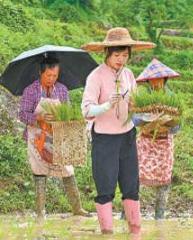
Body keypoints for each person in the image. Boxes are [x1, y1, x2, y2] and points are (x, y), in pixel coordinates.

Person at [81, 27, 155, 236]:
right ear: (107, 54)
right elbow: (86, 109)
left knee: (131, 186)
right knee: (105, 188)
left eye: (125, 55)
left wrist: (137, 107)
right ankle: (107, 232)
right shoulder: (95, 77)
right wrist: (105, 106)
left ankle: (135, 230)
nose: (121, 60)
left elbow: (135, 104)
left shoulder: (129, 74)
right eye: (116, 55)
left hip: (127, 137)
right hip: (104, 138)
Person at [19, 56, 88, 223]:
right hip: (37, 137)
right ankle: (41, 211)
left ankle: (77, 208)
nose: (51, 79)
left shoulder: (62, 90)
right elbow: (22, 114)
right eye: (48, 75)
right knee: (39, 172)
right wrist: (39, 117)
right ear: (40, 73)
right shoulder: (31, 90)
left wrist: (62, 118)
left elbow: (68, 112)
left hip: (58, 136)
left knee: (67, 170)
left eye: (55, 76)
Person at [134, 59, 180, 220]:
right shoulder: (142, 96)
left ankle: (159, 217)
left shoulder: (172, 98)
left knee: (164, 181)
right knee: (135, 178)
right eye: (152, 80)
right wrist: (148, 119)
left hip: (164, 144)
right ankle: (128, 214)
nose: (156, 82)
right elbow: (134, 121)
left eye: (159, 79)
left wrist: (166, 121)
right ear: (147, 81)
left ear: (165, 79)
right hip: (145, 142)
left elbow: (177, 128)